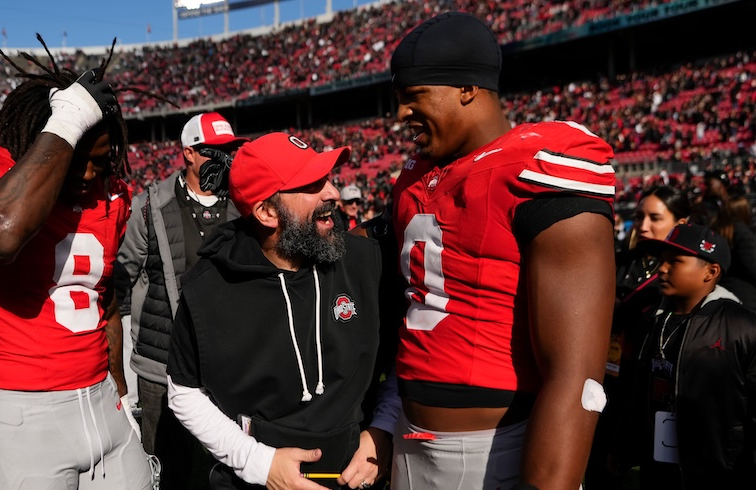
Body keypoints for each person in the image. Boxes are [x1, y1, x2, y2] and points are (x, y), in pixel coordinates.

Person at [389, 12, 617, 489]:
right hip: (406, 440)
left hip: (490, 450)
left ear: (468, 89)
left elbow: (575, 374)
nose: (400, 116)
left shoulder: (536, 165)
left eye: (413, 98)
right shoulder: (416, 176)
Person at [0, 37, 151, 489]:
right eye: (76, 161)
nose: (90, 176)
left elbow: (102, 303)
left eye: (100, 163)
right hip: (24, 416)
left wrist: (122, 394)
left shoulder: (113, 197)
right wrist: (68, 122)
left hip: (105, 403)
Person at [167, 132, 397, 490]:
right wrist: (259, 463)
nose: (333, 193)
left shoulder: (365, 262)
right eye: (313, 184)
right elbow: (183, 391)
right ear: (267, 212)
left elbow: (407, 356)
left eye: (328, 179)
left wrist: (384, 429)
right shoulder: (208, 288)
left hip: (361, 476)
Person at [118, 111, 247, 488]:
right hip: (163, 363)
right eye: (214, 151)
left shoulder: (243, 203)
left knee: (232, 466)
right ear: (188, 153)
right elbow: (124, 276)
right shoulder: (149, 205)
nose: (224, 160)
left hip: (228, 362)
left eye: (229, 151)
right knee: (168, 466)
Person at [618, 223, 756, 488]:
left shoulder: (742, 327)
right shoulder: (650, 321)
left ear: (711, 271)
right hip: (657, 465)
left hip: (719, 470)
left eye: (675, 261)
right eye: (661, 261)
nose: (662, 268)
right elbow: (633, 392)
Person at [587, 186, 690, 489]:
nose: (643, 225)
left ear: (680, 223)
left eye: (655, 218)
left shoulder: (690, 272)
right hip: (611, 380)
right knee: (601, 467)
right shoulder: (618, 261)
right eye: (639, 216)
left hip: (658, 389)